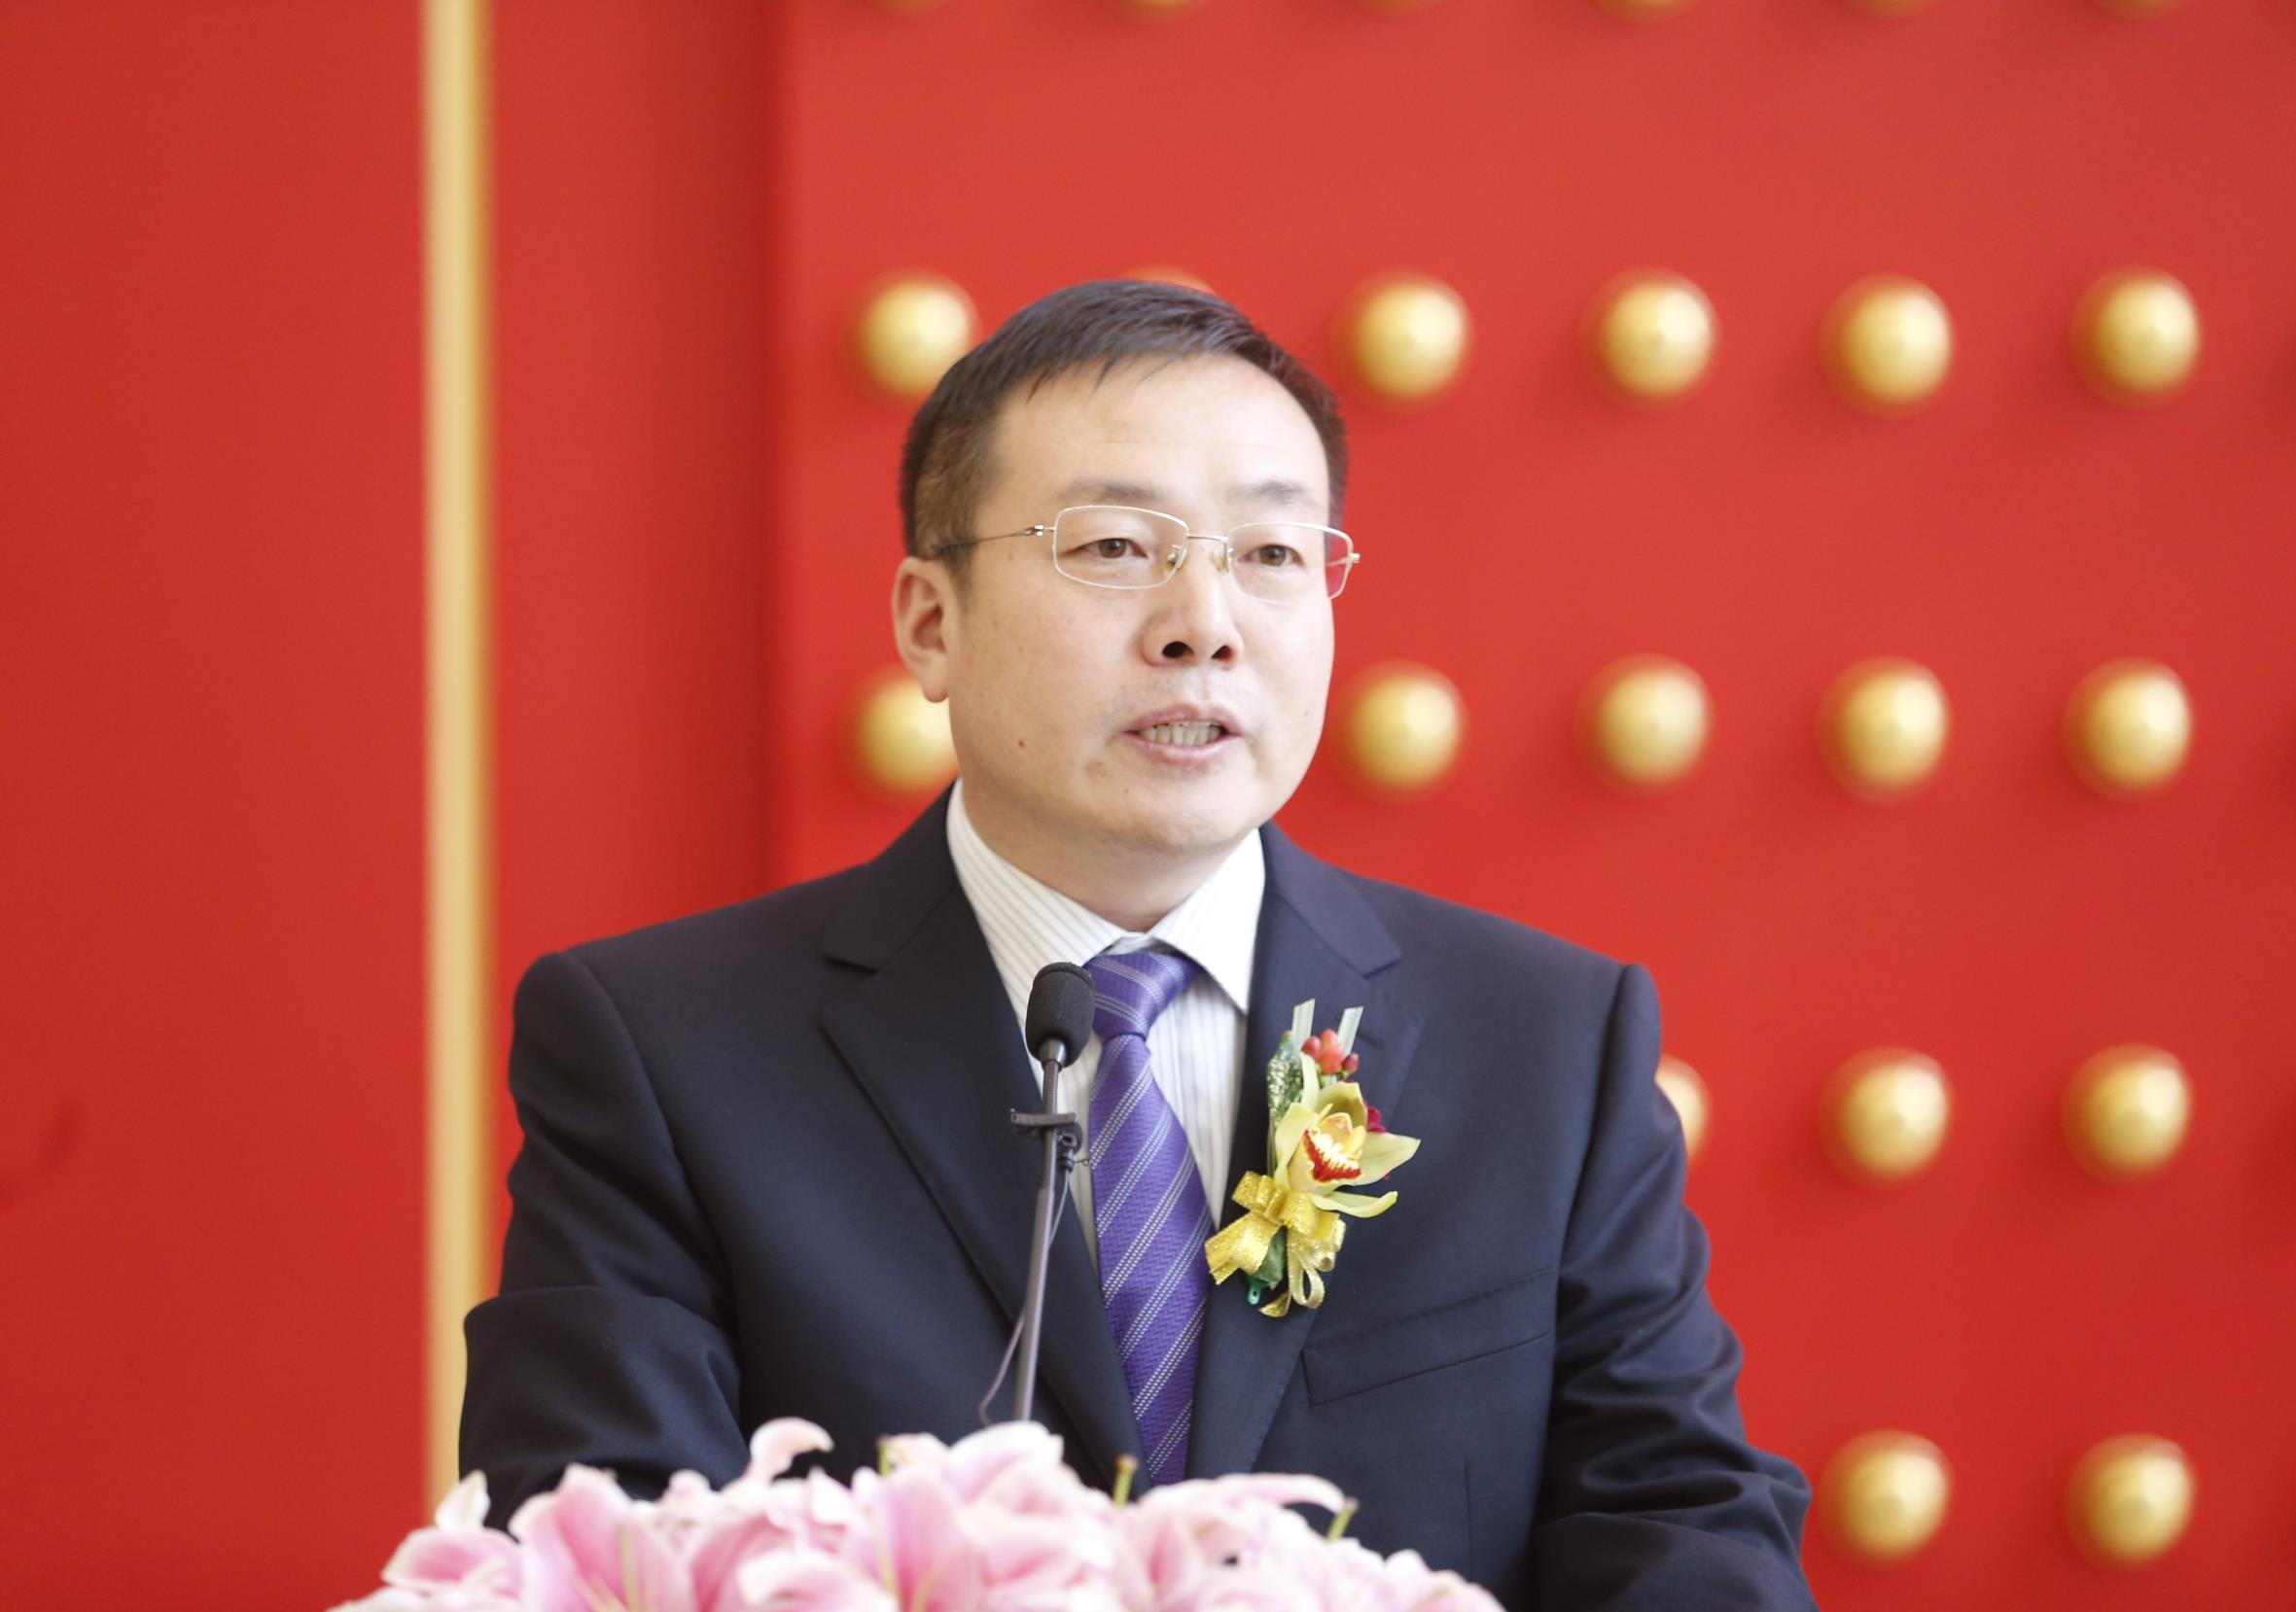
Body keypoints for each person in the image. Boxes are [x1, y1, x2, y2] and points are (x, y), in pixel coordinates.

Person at [461, 279, 1817, 1609]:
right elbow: (601, 1555)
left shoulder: (1544, 1043)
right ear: (931, 624)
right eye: (1114, 547)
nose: (1203, 627)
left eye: (1272, 555)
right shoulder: (667, 1052)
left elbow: (1677, 1521)